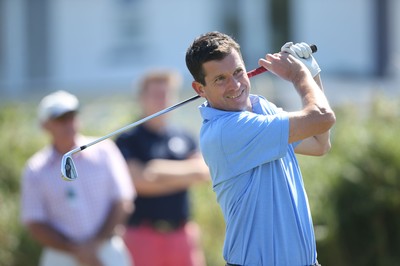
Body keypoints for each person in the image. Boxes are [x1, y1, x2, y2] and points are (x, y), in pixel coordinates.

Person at [185, 31, 336, 265]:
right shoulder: (226, 132)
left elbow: (319, 143)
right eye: (220, 79)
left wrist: (312, 74)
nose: (235, 85)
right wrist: (299, 75)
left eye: (238, 72)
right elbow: (322, 118)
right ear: (200, 89)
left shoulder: (260, 107)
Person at [20, 90, 136, 266]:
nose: (69, 123)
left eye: (72, 116)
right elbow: (35, 223)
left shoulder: (105, 150)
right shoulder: (35, 169)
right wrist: (76, 251)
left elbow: (123, 201)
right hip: (60, 256)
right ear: (45, 125)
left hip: (108, 249)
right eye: (60, 119)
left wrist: (95, 244)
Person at [115, 70, 209, 266]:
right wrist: (185, 176)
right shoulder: (128, 140)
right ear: (142, 98)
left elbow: (204, 173)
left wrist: (157, 170)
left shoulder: (184, 136)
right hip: (142, 235)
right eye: (156, 94)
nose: (163, 99)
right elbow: (139, 182)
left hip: (182, 234)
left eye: (167, 94)